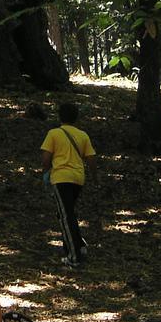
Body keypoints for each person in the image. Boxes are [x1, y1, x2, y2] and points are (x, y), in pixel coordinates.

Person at [40, 102, 97, 268]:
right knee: (67, 212)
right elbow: (91, 159)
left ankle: (74, 256)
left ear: (60, 116)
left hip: (60, 178)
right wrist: (94, 177)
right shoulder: (83, 135)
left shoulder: (54, 134)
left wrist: (45, 173)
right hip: (78, 179)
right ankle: (79, 245)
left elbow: (46, 157)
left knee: (66, 216)